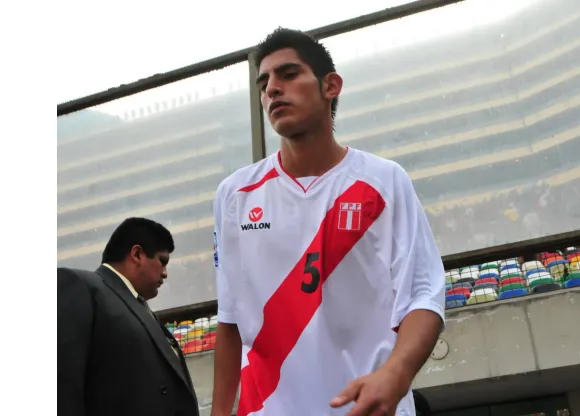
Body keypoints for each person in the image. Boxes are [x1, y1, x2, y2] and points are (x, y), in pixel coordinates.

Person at [210, 28, 446, 416]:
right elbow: (230, 319)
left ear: (330, 86)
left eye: (288, 74)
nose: (272, 89)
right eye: (264, 82)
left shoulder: (383, 181)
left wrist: (396, 374)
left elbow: (423, 293)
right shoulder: (234, 195)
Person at [58, 217, 198, 416]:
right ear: (137, 254)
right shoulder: (82, 286)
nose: (165, 273)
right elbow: (63, 384)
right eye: (162, 261)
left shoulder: (138, 306)